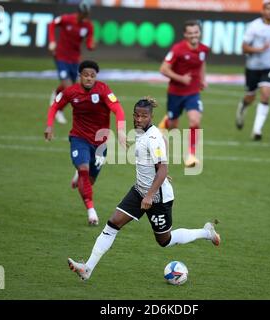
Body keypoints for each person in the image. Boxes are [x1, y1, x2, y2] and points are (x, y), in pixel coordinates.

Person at [67, 97, 221, 281]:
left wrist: (151, 192)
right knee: (113, 223)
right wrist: (156, 173)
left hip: (157, 198)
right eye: (137, 115)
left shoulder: (152, 137)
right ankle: (87, 268)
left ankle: (206, 233)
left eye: (144, 116)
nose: (139, 119)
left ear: (151, 117)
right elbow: (161, 157)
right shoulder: (143, 133)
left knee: (165, 240)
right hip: (139, 191)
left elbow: (163, 168)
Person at [44, 60, 127, 226]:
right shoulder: (71, 92)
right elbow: (55, 106)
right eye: (86, 75)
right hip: (79, 138)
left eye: (93, 76)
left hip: (100, 142)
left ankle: (80, 174)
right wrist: (49, 125)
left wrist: (121, 130)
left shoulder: (103, 89)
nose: (89, 78)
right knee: (84, 170)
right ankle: (91, 211)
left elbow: (117, 109)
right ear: (80, 76)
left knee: (89, 180)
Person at [158, 20, 209, 168]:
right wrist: (181, 78)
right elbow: (163, 69)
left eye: (196, 32)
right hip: (176, 93)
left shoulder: (204, 49)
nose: (194, 35)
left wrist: (202, 80)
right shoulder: (178, 49)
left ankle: (191, 155)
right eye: (190, 33)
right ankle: (166, 121)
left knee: (195, 121)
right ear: (185, 34)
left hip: (193, 93)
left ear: (199, 33)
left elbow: (202, 63)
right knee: (173, 125)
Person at [235, 0, 270, 141]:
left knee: (266, 94)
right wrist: (259, 49)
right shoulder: (254, 26)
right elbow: (244, 48)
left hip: (269, 66)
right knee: (250, 97)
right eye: (267, 9)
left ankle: (257, 130)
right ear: (262, 11)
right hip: (253, 67)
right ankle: (243, 106)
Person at [47, 1, 95, 124]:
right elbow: (52, 24)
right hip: (61, 56)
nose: (85, 16)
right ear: (80, 11)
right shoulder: (66, 19)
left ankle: (57, 94)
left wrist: (91, 45)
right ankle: (58, 110)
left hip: (74, 60)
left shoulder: (88, 26)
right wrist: (52, 41)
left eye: (87, 14)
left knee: (73, 86)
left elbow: (89, 42)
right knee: (70, 88)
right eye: (84, 13)